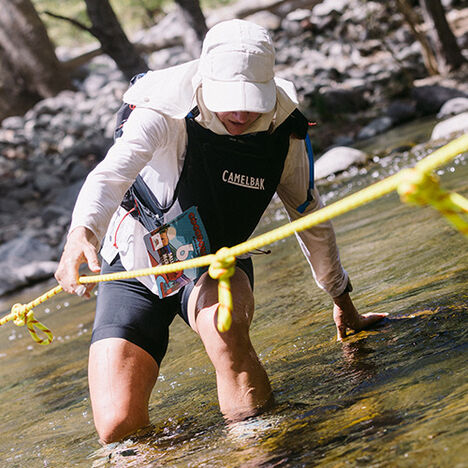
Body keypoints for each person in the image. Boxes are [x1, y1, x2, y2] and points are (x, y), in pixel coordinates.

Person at [55, 19, 386, 444]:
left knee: (225, 332)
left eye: (252, 101)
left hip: (216, 262)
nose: (241, 113)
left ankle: (266, 448)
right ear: (204, 83)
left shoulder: (284, 132)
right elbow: (109, 177)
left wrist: (342, 299)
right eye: (230, 99)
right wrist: (81, 233)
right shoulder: (162, 110)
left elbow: (309, 216)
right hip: (135, 266)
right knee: (118, 429)